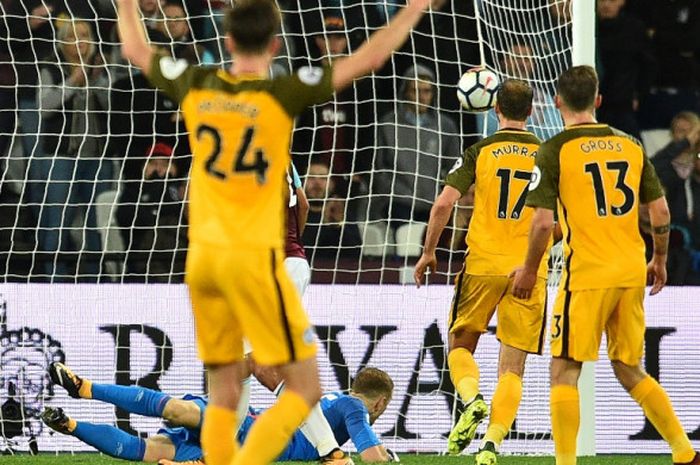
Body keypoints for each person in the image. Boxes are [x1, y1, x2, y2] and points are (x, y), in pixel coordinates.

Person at [115, 2, 429, 465]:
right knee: (304, 388)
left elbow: (135, 48)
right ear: (276, 44)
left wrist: (125, 2)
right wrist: (417, 7)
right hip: (256, 261)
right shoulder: (282, 92)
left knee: (225, 391)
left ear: (226, 42)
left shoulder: (197, 81)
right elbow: (369, 60)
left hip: (204, 260)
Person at [512, 65, 699, 465]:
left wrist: (529, 269)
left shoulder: (554, 148)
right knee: (629, 366)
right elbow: (661, 211)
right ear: (598, 100)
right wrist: (659, 259)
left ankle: (565, 463)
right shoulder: (630, 145)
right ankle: (684, 452)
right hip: (631, 269)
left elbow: (543, 222)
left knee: (564, 369)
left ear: (557, 101)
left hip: (586, 274)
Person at [414, 79, 547, 464]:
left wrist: (429, 252)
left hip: (482, 264)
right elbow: (556, 222)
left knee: (459, 345)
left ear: (494, 110)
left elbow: (443, 205)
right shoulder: (547, 154)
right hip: (527, 269)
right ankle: (491, 443)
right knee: (513, 367)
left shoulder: (479, 150)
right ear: (533, 111)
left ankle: (472, 399)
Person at [42, 363, 397, 464]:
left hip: (249, 426)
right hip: (249, 436)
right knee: (155, 445)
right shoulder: (355, 407)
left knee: (157, 439)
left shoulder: (336, 398)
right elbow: (372, 458)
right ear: (379, 403)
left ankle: (78, 405)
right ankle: (74, 419)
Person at [370, 64, 460, 229]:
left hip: (435, 203)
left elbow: (454, 167)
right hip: (397, 203)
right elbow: (378, 168)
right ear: (405, 92)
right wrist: (397, 192)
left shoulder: (446, 126)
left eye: (427, 91)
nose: (422, 96)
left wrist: (441, 194)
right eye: (415, 90)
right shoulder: (388, 124)